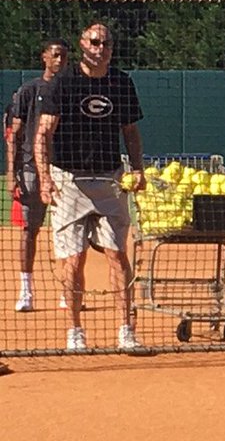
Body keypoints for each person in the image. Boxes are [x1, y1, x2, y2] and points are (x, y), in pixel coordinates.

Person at [34, 23, 146, 353]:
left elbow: (131, 133)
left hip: (110, 180)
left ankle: (126, 330)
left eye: (107, 43)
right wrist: (44, 177)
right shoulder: (63, 84)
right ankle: (75, 332)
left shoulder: (121, 82)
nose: (101, 48)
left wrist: (137, 169)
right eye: (95, 42)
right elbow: (43, 134)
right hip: (68, 181)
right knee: (74, 260)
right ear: (82, 45)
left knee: (117, 256)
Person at [7, 39, 69, 312]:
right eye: (55, 55)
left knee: (68, 232)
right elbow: (13, 135)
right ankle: (26, 291)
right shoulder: (29, 90)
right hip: (32, 169)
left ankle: (70, 291)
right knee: (30, 231)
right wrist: (12, 173)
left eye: (64, 56)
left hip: (66, 170)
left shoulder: (72, 89)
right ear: (44, 57)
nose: (60, 60)